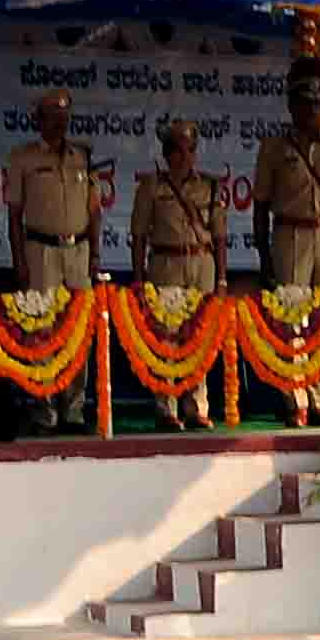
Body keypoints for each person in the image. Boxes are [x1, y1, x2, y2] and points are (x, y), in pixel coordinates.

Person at [253, 62, 320, 422]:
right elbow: (261, 204)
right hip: (291, 234)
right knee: (292, 319)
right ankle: (296, 401)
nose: (313, 111)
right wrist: (263, 254)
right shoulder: (274, 147)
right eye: (305, 104)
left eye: (318, 105)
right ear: (292, 106)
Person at [0, 88, 102, 435]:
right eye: (51, 116)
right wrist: (19, 261)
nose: (59, 123)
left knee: (77, 331)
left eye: (64, 116)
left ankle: (74, 410)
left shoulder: (82, 157)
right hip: (39, 251)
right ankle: (45, 411)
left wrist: (96, 254)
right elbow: (14, 215)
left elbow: (94, 211)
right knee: (42, 331)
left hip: (78, 252)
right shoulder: (23, 158)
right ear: (38, 120)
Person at [127, 120, 224, 432]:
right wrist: (139, 279)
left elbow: (220, 237)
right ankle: (167, 408)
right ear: (168, 154)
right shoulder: (151, 187)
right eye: (180, 150)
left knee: (199, 339)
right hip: (165, 264)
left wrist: (221, 278)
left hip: (201, 265)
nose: (186, 157)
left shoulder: (210, 186)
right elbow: (139, 235)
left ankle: (196, 407)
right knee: (166, 341)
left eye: (191, 150)